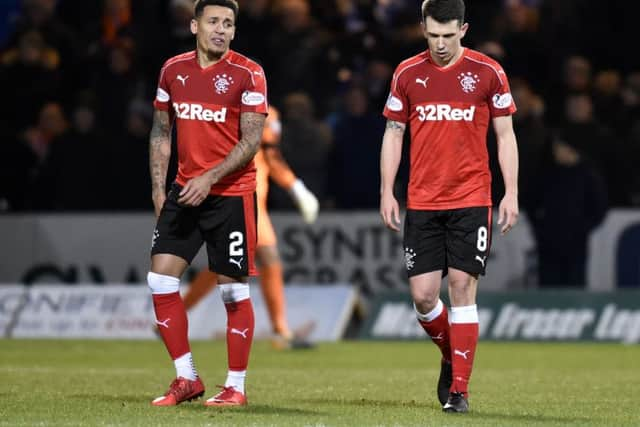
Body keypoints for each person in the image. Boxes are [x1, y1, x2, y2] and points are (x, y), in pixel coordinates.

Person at [379, 0, 519, 413]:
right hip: (422, 199)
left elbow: (506, 135)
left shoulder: (488, 72)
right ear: (423, 29)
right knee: (423, 297)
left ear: (463, 29)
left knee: (462, 286)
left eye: (448, 35)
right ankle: (450, 352)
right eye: (433, 35)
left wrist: (510, 191)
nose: (440, 44)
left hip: (472, 197)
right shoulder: (407, 72)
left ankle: (459, 390)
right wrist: (387, 189)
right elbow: (393, 133)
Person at [146, 0, 267, 407]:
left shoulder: (249, 73)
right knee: (160, 279)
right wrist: (159, 189)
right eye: (213, 21)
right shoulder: (172, 70)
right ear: (194, 25)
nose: (221, 29)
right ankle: (187, 379)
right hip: (184, 191)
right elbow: (161, 131)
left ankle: (236, 386)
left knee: (233, 292)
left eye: (228, 24)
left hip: (229, 195)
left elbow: (251, 141)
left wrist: (210, 177)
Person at [181, 104, 319, 349]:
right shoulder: (221, 111)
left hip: (252, 197)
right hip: (236, 193)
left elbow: (270, 154)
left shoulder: (267, 113)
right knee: (251, 259)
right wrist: (296, 187)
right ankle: (280, 330)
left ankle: (173, 318)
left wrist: (294, 186)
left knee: (233, 262)